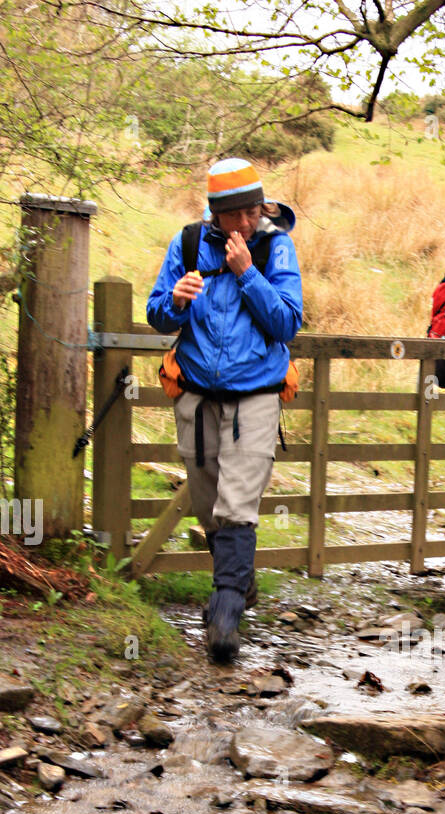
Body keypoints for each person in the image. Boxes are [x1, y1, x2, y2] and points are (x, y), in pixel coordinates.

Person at [146, 157, 302, 662]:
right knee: (208, 503)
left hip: (255, 395)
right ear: (217, 213)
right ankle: (239, 584)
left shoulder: (275, 246)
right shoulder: (187, 244)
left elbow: (286, 323)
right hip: (195, 395)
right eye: (236, 215)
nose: (246, 223)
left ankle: (225, 615)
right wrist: (175, 300)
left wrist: (248, 274)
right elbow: (156, 316)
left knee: (237, 506)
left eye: (254, 211)